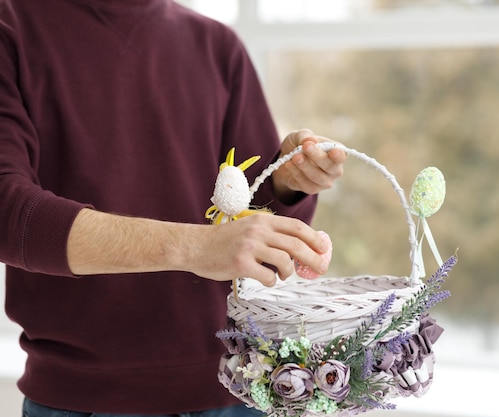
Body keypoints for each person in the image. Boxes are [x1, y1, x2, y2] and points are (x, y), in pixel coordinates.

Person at [0, 0, 346, 416]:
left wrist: (286, 185)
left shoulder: (218, 46)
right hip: (84, 400)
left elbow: (249, 222)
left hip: (237, 388)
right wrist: (196, 247)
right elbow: (8, 211)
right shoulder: (13, 25)